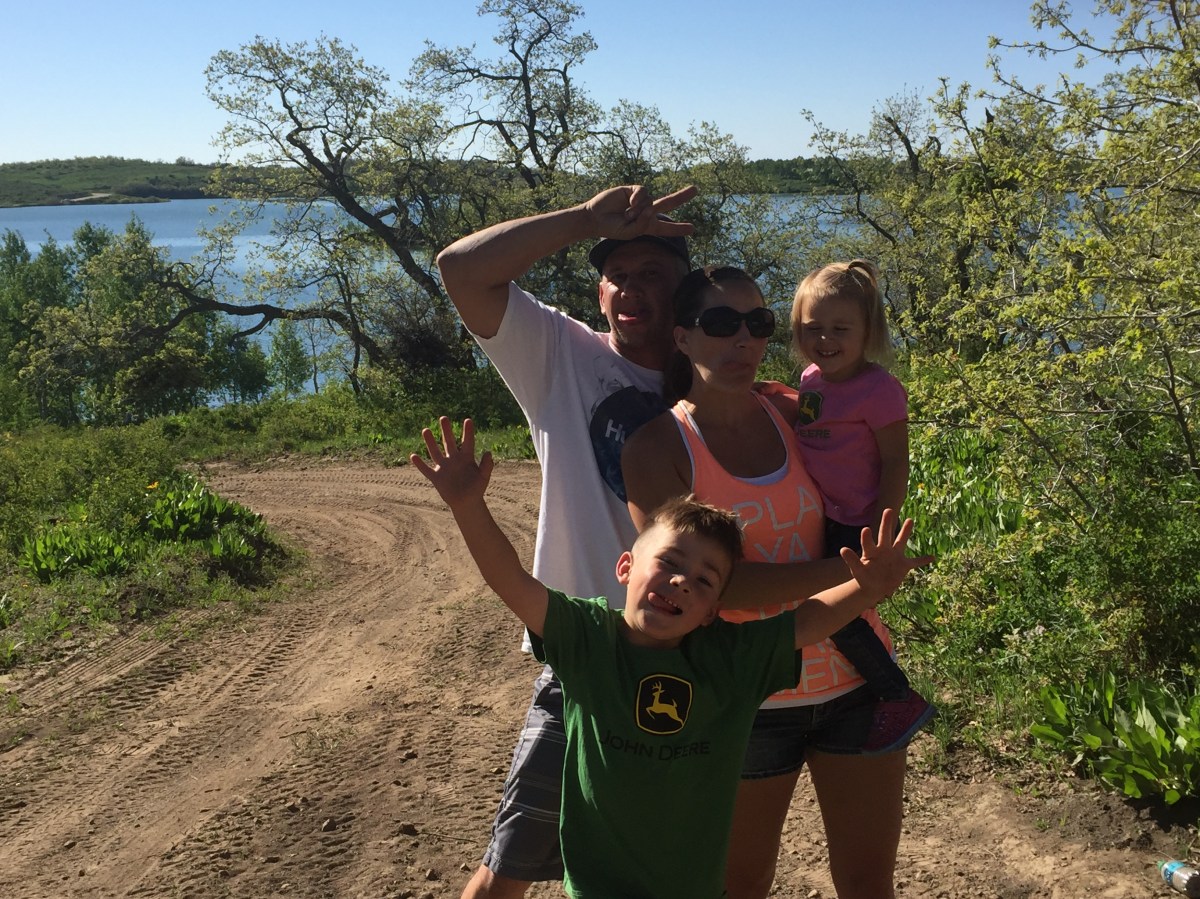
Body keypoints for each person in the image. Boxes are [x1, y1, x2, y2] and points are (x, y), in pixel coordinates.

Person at [436, 187, 853, 899]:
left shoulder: (732, 386)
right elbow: (460, 270)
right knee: (512, 863)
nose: (630, 288)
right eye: (616, 275)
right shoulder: (561, 355)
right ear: (598, 293)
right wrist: (582, 220)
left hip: (701, 662)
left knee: (691, 868)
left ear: (684, 301)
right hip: (590, 653)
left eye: (652, 274)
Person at [412, 415, 927, 899]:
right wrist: (467, 505)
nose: (682, 580)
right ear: (625, 567)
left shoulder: (727, 659)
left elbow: (806, 622)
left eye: (704, 580)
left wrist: (866, 589)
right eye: (669, 562)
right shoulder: (587, 637)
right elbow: (511, 580)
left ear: (712, 612)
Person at [622, 265, 932, 899]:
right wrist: (857, 571)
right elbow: (710, 589)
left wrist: (882, 532)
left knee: (870, 885)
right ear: (682, 337)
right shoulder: (656, 450)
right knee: (738, 886)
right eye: (720, 322)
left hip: (857, 684)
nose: (743, 339)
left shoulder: (797, 409)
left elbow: (874, 456)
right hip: (744, 700)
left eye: (758, 323)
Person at [790, 259, 934, 733]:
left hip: (856, 520)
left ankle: (896, 693)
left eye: (840, 329)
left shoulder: (879, 389)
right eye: (813, 328)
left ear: (868, 331)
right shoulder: (810, 379)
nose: (825, 339)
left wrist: (882, 525)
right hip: (817, 514)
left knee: (840, 612)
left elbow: (895, 461)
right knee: (818, 599)